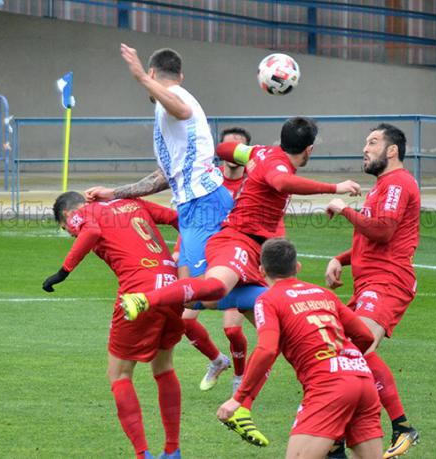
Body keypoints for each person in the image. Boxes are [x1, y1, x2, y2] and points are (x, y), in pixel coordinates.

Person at [120, 116, 362, 446]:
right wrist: (335, 188)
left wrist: (239, 152)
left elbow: (224, 148)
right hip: (236, 240)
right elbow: (281, 182)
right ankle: (146, 298)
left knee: (273, 338)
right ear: (309, 150)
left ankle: (242, 407)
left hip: (255, 254)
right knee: (216, 287)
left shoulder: (260, 153)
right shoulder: (276, 164)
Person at [42, 191, 184, 459]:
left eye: (66, 229)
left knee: (119, 375)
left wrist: (63, 272)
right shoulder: (132, 201)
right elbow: (178, 218)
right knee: (164, 368)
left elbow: (91, 231)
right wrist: (181, 254)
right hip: (171, 285)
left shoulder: (82, 213)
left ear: (66, 216)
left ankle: (143, 455)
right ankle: (172, 450)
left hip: (138, 292)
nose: (72, 232)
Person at [217, 238, 383, 459]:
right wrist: (345, 361)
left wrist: (238, 399)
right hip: (363, 381)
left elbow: (266, 350)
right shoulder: (324, 294)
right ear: (297, 267)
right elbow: (365, 336)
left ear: (261, 270)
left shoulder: (268, 300)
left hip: (329, 388)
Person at [85, 44, 234, 281]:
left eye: (148, 76)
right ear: (180, 75)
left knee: (205, 291)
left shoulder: (179, 97)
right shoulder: (165, 111)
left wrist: (142, 78)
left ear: (152, 73)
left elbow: (182, 110)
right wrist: (113, 193)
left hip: (204, 202)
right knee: (185, 290)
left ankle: (276, 305)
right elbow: (163, 176)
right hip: (193, 203)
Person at [324, 123, 420, 459]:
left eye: (373, 142)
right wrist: (339, 259)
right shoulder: (381, 187)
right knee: (345, 351)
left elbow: (383, 231)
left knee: (353, 350)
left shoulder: (398, 183)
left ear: (392, 151)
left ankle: (400, 426)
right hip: (371, 282)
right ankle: (349, 435)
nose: (365, 148)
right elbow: (371, 239)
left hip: (387, 282)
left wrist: (344, 209)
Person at [176, 127, 262, 394]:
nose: (234, 153)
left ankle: (239, 378)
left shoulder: (254, 185)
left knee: (232, 330)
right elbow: (191, 219)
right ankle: (217, 361)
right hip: (203, 257)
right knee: (185, 319)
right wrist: (180, 249)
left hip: (236, 261)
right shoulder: (210, 183)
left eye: (240, 148)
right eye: (229, 147)